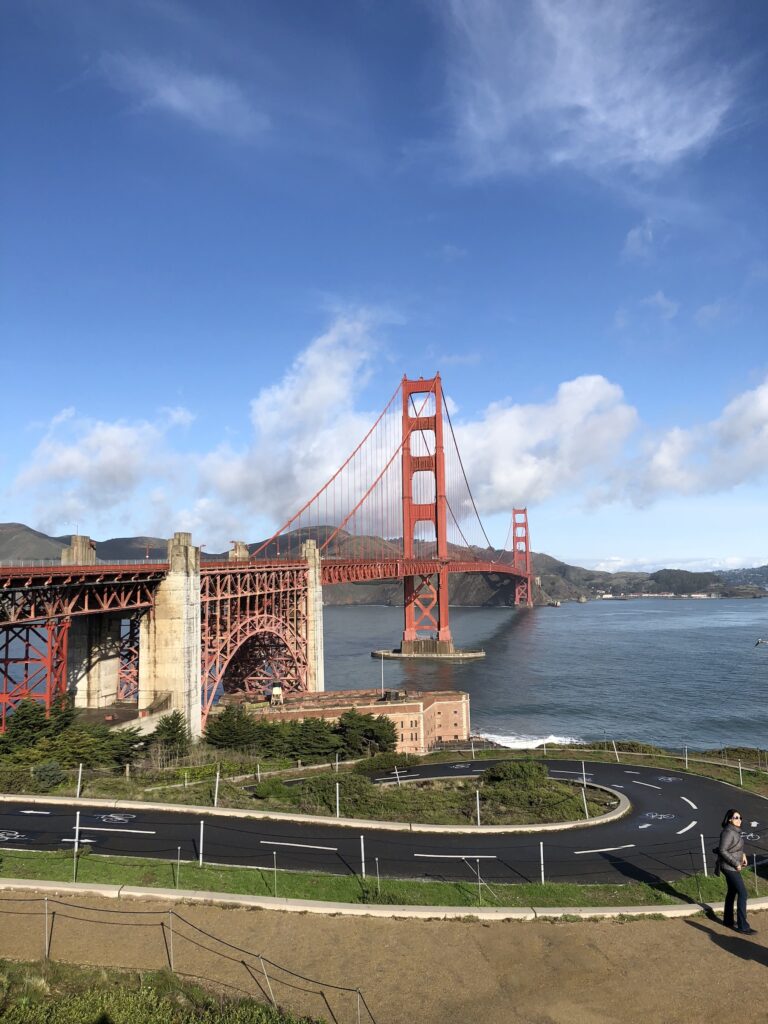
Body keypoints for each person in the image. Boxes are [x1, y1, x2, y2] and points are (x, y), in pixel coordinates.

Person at [717, 808, 756, 934]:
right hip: (729, 867)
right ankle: (743, 926)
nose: (739, 820)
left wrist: (743, 855)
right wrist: (736, 864)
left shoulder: (735, 831)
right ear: (729, 819)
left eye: (740, 818)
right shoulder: (728, 832)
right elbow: (723, 850)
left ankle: (728, 920)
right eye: (736, 817)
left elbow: (734, 847)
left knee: (732, 892)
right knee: (743, 893)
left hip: (732, 866)